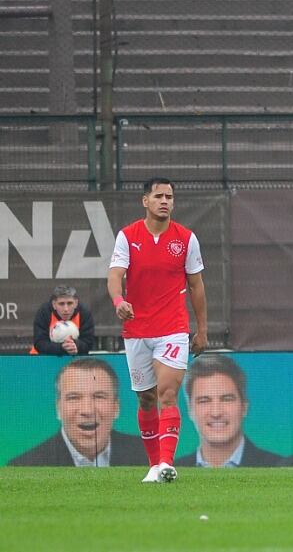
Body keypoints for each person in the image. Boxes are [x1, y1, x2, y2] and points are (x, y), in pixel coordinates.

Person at [106, 176, 208, 484]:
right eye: (159, 196)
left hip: (173, 328)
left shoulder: (186, 239)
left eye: (169, 197)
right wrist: (119, 301)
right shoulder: (128, 236)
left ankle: (166, 463)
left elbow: (196, 286)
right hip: (137, 330)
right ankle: (154, 465)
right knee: (146, 399)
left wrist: (202, 330)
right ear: (145, 201)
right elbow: (115, 275)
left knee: (168, 393)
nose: (165, 201)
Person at [8, 357, 148, 466]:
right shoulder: (25, 466)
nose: (87, 410)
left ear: (116, 407)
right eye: (74, 398)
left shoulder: (149, 455)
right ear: (58, 408)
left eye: (99, 396)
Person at [176, 354, 281, 468]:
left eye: (226, 399)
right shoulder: (173, 470)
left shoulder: (279, 468)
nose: (216, 413)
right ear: (190, 410)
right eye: (204, 401)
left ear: (244, 407)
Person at [31, 284, 95, 356]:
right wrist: (61, 347)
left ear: (76, 303)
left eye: (70, 303)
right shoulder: (44, 312)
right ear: (54, 304)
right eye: (61, 304)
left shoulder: (84, 313)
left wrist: (76, 345)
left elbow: (88, 343)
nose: (66, 309)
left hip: (75, 357)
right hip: (44, 357)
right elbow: (39, 343)